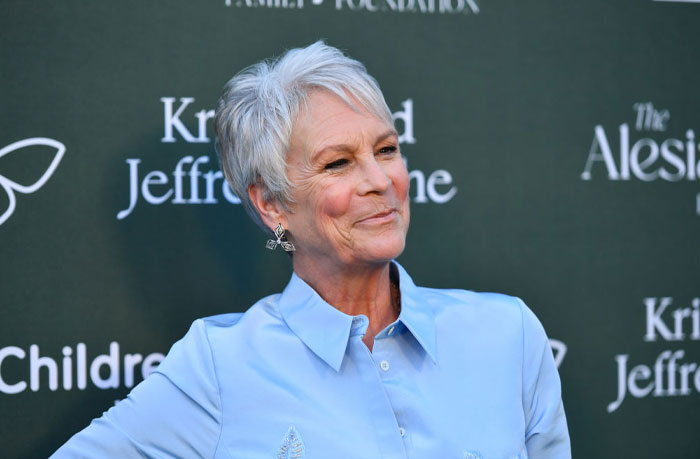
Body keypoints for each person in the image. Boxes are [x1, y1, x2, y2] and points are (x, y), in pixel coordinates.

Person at [52, 41, 571, 458]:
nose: (379, 181)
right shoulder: (222, 366)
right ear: (272, 203)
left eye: (386, 149)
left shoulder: (508, 335)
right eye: (337, 163)